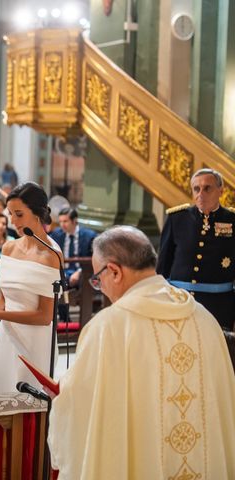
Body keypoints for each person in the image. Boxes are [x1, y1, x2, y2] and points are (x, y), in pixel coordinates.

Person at [49, 225, 235, 479]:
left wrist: (64, 392)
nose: (100, 286)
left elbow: (83, 408)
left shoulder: (108, 328)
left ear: (114, 271)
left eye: (97, 278)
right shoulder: (204, 319)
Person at [0, 182, 61, 393]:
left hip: (35, 341)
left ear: (37, 213)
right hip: (7, 336)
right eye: (10, 214)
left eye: (18, 214)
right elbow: (2, 299)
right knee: (2, 393)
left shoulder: (51, 255)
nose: (12, 221)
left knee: (29, 404)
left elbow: (44, 316)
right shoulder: (9, 247)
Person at [157, 168, 235, 330]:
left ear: (221, 191)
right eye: (196, 189)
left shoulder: (232, 220)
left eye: (207, 188)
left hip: (218, 306)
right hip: (179, 303)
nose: (201, 193)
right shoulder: (177, 219)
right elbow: (162, 267)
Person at [49, 207, 97, 287]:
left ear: (74, 221)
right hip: (62, 271)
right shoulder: (57, 234)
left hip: (81, 272)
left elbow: (92, 260)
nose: (62, 225)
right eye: (60, 221)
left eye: (65, 221)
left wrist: (80, 272)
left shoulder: (89, 236)